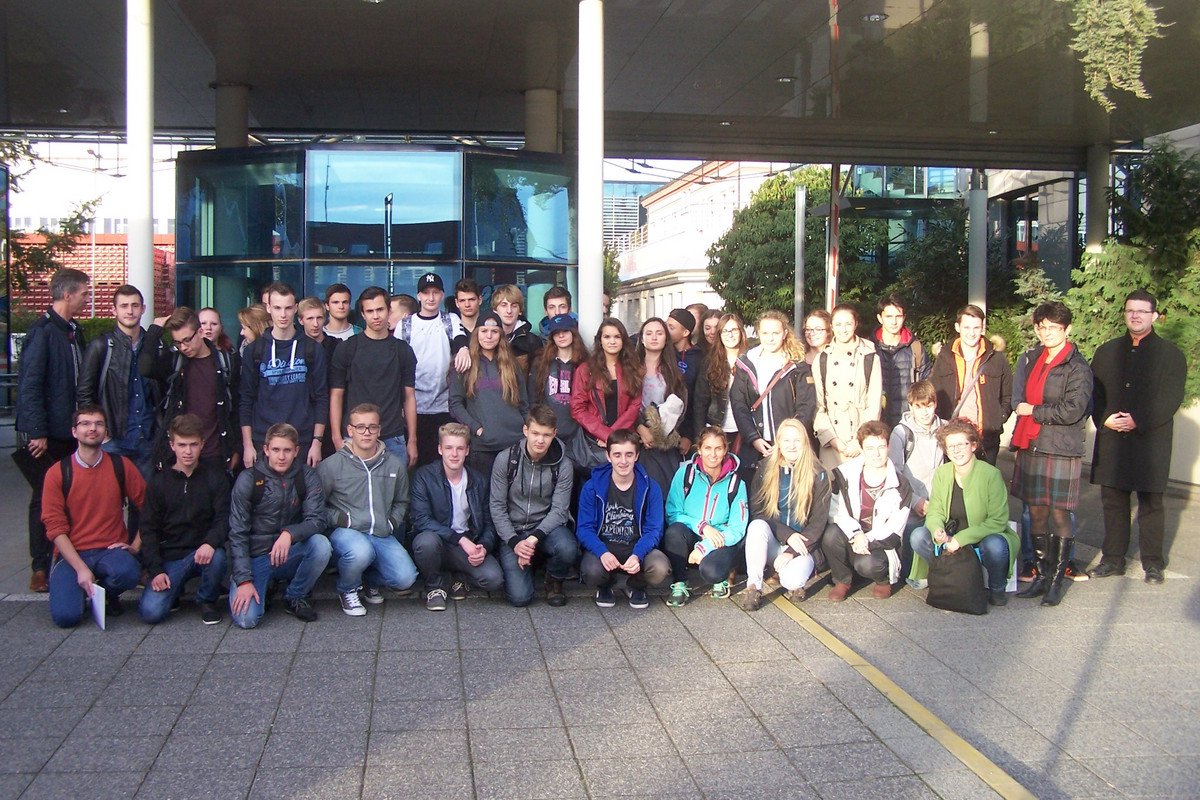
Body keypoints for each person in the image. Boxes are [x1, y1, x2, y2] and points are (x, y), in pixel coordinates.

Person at [1089, 290, 1187, 584]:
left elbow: (1170, 398)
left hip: (1150, 441)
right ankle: (1112, 559)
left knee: (1151, 504)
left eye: (1142, 311)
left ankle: (1153, 563)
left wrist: (1137, 420)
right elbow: (1094, 393)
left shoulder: (1171, 355)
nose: (1135, 315)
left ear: (1154, 316)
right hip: (1113, 438)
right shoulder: (1106, 352)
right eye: (1131, 310)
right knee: (1113, 502)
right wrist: (1104, 418)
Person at [1007, 302, 1092, 605]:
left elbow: (1073, 410)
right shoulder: (1031, 358)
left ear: (1067, 329)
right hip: (1032, 444)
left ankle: (1056, 580)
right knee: (1036, 511)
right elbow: (1017, 398)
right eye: (1042, 327)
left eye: (1054, 328)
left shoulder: (1078, 366)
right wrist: (1024, 408)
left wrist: (1034, 410)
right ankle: (1041, 576)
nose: (1047, 333)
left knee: (1059, 514)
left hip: (1060, 447)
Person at [16, 267, 90, 593]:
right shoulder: (43, 332)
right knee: (44, 499)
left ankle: (66, 560)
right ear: (68, 294)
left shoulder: (73, 331)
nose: (87, 298)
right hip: (49, 435)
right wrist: (37, 431)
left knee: (70, 497)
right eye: (84, 293)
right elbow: (30, 384)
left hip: (70, 431)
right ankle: (40, 566)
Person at [41, 405, 146, 627]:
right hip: (72, 553)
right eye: (85, 424)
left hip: (110, 550)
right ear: (74, 431)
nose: (92, 429)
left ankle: (106, 594)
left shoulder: (121, 465)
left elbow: (150, 508)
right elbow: (55, 528)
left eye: (99, 424)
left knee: (129, 572)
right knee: (66, 618)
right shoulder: (57, 472)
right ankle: (81, 590)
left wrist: (135, 546)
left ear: (106, 431)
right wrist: (81, 569)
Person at [318, 403, 418, 616]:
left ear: (379, 430)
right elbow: (317, 506)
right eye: (360, 427)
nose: (366, 432)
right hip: (348, 532)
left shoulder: (394, 464)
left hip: (381, 532)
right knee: (361, 552)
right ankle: (347, 589)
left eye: (372, 427)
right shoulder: (331, 465)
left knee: (406, 578)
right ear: (350, 430)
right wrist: (342, 520)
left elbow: (402, 501)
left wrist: (391, 522)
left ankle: (371, 581)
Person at [228, 422, 331, 627]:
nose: (281, 456)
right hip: (256, 558)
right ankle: (262, 584)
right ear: (266, 449)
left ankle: (295, 595)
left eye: (287, 450)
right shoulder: (248, 478)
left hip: (289, 553)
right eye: (276, 450)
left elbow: (318, 519)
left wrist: (289, 534)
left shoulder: (307, 475)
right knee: (247, 620)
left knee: (321, 545)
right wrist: (244, 580)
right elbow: (237, 532)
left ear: (296, 451)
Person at [909, 418, 1017, 606]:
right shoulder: (942, 473)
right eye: (951, 446)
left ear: (973, 445)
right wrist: (937, 529)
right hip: (950, 533)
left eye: (961, 444)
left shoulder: (991, 474)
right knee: (918, 536)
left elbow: (998, 521)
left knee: (996, 546)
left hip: (982, 535)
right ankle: (947, 576)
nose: (956, 450)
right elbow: (934, 511)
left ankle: (997, 588)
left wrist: (960, 540)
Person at [137, 414, 231, 625]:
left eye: (193, 445)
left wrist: (210, 542)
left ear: (202, 444)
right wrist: (156, 570)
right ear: (172, 445)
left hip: (203, 551)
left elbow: (223, 517)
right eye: (182, 445)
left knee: (218, 557)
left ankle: (207, 600)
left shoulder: (215, 476)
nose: (188, 451)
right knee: (150, 613)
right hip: (170, 557)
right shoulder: (159, 482)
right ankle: (175, 591)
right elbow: (148, 528)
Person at [409, 423, 505, 611]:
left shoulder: (479, 480)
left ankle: (457, 578)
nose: (454, 454)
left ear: (467, 450)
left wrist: (484, 547)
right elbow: (421, 519)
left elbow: (489, 522)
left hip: (466, 545)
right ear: (440, 449)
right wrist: (459, 539)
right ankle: (435, 587)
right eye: (449, 448)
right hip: (437, 541)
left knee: (494, 579)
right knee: (425, 543)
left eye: (460, 448)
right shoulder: (424, 476)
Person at [490, 404, 578, 607]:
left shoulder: (563, 465)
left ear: (554, 433)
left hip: (545, 529)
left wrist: (532, 540)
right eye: (535, 433)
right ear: (525, 430)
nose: (540, 440)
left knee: (568, 549)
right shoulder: (506, 459)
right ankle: (525, 561)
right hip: (513, 532)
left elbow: (559, 510)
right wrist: (514, 542)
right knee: (520, 598)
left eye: (546, 435)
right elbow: (497, 506)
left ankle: (553, 579)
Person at [740, 418, 832, 611]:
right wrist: (787, 535)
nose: (792, 445)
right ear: (779, 443)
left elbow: (818, 523)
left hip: (803, 546)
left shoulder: (818, 473)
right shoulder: (765, 468)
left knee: (791, 580)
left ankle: (797, 576)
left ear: (805, 442)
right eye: (787, 440)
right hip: (774, 541)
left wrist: (791, 551)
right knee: (756, 527)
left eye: (797, 440)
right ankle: (754, 586)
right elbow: (758, 512)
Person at [576, 428, 670, 609]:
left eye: (629, 454)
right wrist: (602, 552)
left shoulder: (651, 487)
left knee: (659, 567)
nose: (623, 461)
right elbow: (584, 528)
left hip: (637, 547)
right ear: (608, 456)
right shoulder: (592, 487)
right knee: (591, 571)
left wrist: (638, 554)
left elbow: (654, 529)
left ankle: (636, 585)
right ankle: (605, 585)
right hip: (605, 547)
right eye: (617, 455)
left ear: (637, 456)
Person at [239, 282, 329, 469]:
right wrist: (247, 445)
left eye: (288, 308)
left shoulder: (313, 349)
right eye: (277, 308)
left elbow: (321, 397)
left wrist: (317, 442)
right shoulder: (254, 350)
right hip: (264, 440)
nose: (283, 314)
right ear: (268, 308)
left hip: (302, 440)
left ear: (295, 309)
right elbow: (246, 399)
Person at [142, 307, 241, 473]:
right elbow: (145, 368)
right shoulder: (175, 361)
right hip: (180, 455)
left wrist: (236, 448)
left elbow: (235, 406)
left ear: (200, 332)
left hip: (215, 453)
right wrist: (154, 330)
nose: (183, 347)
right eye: (178, 342)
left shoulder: (225, 361)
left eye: (187, 340)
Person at [820, 421, 912, 601]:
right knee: (830, 535)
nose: (876, 454)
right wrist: (856, 534)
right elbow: (836, 511)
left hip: (881, 543)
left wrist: (866, 539)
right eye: (870, 448)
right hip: (853, 535)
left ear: (888, 447)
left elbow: (895, 528)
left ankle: (883, 580)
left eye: (881, 447)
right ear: (861, 448)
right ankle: (842, 580)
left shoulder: (901, 484)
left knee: (867, 564)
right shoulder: (845, 474)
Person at [329, 286, 419, 467]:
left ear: (389, 310)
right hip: (354, 437)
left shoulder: (402, 350)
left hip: (393, 436)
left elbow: (409, 397)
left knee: (396, 487)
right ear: (363, 315)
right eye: (370, 311)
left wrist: (412, 440)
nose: (376, 316)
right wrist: (336, 437)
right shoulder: (347, 348)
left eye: (380, 309)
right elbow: (336, 395)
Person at [77, 285, 158, 479]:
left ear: (143, 309)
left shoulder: (154, 345)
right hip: (114, 438)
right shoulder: (101, 346)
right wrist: (101, 432)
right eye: (124, 306)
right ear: (114, 310)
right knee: (110, 496)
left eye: (135, 305)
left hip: (147, 438)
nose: (130, 311)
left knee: (145, 497)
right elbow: (85, 393)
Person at [663, 427, 749, 606]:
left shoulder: (736, 483)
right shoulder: (685, 474)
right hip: (690, 534)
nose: (713, 454)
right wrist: (702, 526)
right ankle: (679, 583)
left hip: (719, 539)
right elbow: (672, 513)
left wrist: (705, 546)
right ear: (699, 449)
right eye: (708, 448)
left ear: (725, 450)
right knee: (674, 532)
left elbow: (738, 528)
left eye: (718, 448)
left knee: (711, 572)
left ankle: (721, 576)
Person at [395, 272, 470, 466]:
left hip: (443, 406)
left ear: (442, 295)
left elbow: (460, 338)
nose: (431, 297)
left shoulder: (450, 319)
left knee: (443, 463)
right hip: (414, 407)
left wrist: (463, 349)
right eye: (426, 293)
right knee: (413, 463)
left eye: (435, 292)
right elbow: (396, 365)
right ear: (419, 296)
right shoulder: (405, 324)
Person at [729, 310, 816, 476]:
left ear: (784, 334)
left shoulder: (798, 365)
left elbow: (806, 406)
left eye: (775, 333)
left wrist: (788, 440)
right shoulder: (745, 363)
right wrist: (753, 437)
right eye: (765, 333)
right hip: (755, 448)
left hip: (790, 448)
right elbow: (739, 404)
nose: (770, 338)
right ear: (758, 333)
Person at [930, 304, 1012, 465]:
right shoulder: (945, 358)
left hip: (986, 437)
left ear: (983, 328)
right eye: (967, 327)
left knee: (985, 480)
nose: (971, 333)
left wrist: (999, 417)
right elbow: (935, 393)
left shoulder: (996, 359)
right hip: (953, 438)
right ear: (957, 327)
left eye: (976, 327)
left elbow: (1008, 394)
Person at [449, 311, 530, 474]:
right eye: (484, 331)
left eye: (494, 332)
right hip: (483, 446)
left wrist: (527, 427)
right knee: (484, 489)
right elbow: (455, 404)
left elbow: (524, 404)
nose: (489, 336)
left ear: (500, 335)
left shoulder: (511, 364)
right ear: (476, 334)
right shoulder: (465, 363)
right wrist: (476, 428)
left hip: (514, 442)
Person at [812, 303, 883, 468]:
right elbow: (818, 406)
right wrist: (833, 440)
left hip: (862, 440)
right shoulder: (822, 359)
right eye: (838, 324)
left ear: (856, 324)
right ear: (831, 326)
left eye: (848, 324)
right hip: (831, 442)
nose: (843, 329)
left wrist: (859, 440)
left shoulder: (870, 358)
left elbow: (874, 404)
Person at [889, 380, 945, 586]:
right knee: (909, 565)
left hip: (939, 503)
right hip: (913, 504)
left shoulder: (945, 428)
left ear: (935, 404)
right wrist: (914, 501)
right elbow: (894, 473)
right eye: (919, 407)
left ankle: (943, 571)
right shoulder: (901, 433)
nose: (924, 412)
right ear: (910, 406)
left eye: (928, 406)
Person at [570, 318, 643, 466]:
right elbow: (577, 408)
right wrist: (604, 434)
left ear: (623, 340)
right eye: (607, 337)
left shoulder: (634, 369)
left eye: (617, 337)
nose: (612, 341)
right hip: (595, 441)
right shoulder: (585, 370)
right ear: (600, 340)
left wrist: (612, 436)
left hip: (625, 440)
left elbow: (635, 406)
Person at [634, 317, 689, 497]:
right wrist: (640, 428)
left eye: (659, 333)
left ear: (666, 338)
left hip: (665, 440)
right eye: (649, 333)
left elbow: (681, 405)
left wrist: (661, 430)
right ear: (642, 339)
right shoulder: (631, 368)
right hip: (636, 438)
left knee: (663, 491)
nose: (654, 337)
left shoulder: (673, 371)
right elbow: (624, 404)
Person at [529, 313, 588, 447]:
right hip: (547, 433)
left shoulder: (585, 363)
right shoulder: (541, 363)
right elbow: (533, 399)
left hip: (578, 435)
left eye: (565, 331)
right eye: (556, 333)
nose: (561, 336)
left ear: (573, 333)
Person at [873, 294, 929, 429]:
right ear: (880, 318)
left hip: (908, 422)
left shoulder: (915, 349)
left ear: (904, 317)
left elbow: (927, 387)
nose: (894, 322)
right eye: (889, 317)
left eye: (898, 316)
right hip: (876, 424)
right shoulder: (869, 348)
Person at [692, 313, 748, 438]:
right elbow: (700, 402)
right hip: (716, 429)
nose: (730, 335)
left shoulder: (752, 359)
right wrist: (699, 437)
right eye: (725, 331)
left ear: (741, 332)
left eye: (734, 330)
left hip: (746, 429)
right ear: (720, 335)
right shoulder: (709, 361)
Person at [491, 283, 543, 368]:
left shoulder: (533, 341)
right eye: (504, 305)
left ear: (520, 311)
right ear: (495, 310)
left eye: (514, 306)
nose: (509, 311)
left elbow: (537, 374)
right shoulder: (486, 338)